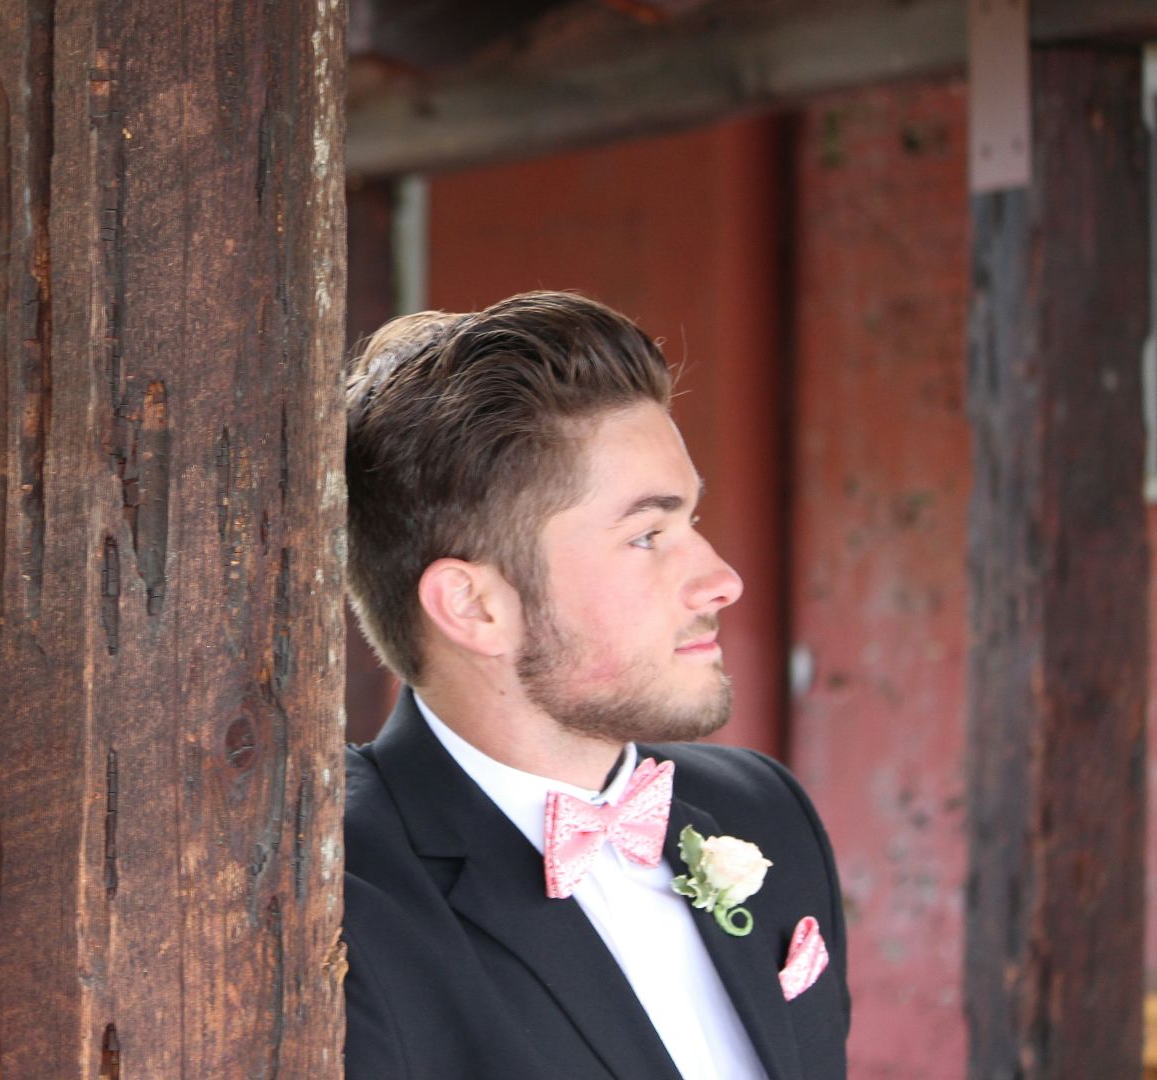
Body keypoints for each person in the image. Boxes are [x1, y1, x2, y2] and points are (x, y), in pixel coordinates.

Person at [341, 293, 848, 1079]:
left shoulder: (764, 810)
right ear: (476, 607)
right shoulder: (331, 894)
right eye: (647, 535)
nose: (722, 580)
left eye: (692, 522)